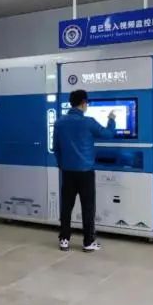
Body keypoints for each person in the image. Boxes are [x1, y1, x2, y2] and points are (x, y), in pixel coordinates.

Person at [52, 89, 116, 252]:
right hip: (86, 172)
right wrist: (111, 119)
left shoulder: (59, 122)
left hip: (67, 172)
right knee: (88, 207)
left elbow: (56, 148)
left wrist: (62, 165)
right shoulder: (88, 122)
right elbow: (108, 134)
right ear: (83, 103)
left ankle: (64, 240)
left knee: (66, 206)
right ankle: (88, 242)